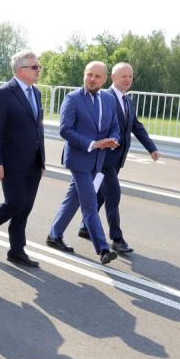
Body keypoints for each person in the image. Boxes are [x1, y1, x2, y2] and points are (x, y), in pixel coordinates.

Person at [77, 62, 159, 254]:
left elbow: (136, 126)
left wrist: (151, 147)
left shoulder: (127, 100)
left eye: (130, 76)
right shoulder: (104, 98)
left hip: (118, 158)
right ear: (113, 78)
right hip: (104, 157)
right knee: (113, 195)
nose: (128, 80)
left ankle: (85, 226)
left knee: (101, 194)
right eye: (124, 76)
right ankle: (117, 238)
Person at [0, 50, 46, 268]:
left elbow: (37, 128)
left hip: (34, 161)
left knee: (25, 207)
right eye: (34, 67)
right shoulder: (5, 92)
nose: (38, 70)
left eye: (38, 66)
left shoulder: (36, 93)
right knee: (15, 202)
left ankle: (16, 250)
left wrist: (42, 159)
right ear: (20, 70)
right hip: (12, 161)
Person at [46, 61, 120, 264]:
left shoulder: (108, 100)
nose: (92, 79)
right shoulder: (73, 99)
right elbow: (65, 130)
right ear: (84, 75)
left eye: (97, 76)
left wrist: (113, 139)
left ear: (104, 79)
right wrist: (92, 144)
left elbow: (114, 126)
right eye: (89, 74)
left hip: (98, 160)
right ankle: (103, 249)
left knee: (74, 198)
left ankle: (54, 235)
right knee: (90, 204)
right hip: (78, 159)